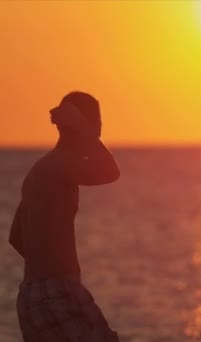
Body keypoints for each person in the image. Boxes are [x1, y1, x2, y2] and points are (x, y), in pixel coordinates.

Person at [9, 91, 121, 342]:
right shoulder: (62, 165)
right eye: (98, 125)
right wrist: (85, 128)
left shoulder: (40, 169)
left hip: (30, 298)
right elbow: (111, 171)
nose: (99, 134)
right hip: (57, 292)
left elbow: (16, 236)